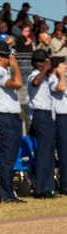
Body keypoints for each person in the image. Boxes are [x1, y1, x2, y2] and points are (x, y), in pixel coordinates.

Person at [0, 40, 24, 203]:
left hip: (9, 118)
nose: (11, 58)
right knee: (7, 158)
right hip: (5, 118)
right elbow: (18, 83)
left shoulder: (0, 72)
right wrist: (15, 66)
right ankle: (6, 194)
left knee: (9, 157)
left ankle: (8, 192)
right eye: (9, 55)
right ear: (1, 57)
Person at [26, 48, 56, 198]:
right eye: (44, 61)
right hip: (41, 115)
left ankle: (48, 187)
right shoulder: (34, 75)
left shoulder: (46, 77)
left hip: (48, 115)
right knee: (44, 154)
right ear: (38, 63)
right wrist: (45, 68)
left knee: (50, 154)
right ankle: (40, 189)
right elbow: (35, 82)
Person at [50, 56, 67, 195]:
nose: (66, 67)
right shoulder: (53, 79)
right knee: (64, 153)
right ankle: (65, 186)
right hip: (61, 118)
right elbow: (61, 88)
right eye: (63, 64)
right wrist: (61, 74)